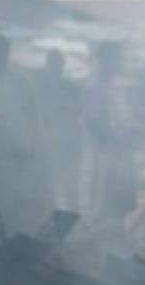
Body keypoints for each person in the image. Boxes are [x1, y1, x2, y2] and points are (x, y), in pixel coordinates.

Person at [0, 33, 45, 239]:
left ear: (6, 52)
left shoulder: (20, 81)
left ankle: (14, 241)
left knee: (16, 201)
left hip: (17, 151)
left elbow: (34, 116)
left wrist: (33, 146)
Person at [82, 40, 136, 219]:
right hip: (105, 153)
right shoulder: (95, 86)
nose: (121, 62)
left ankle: (116, 234)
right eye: (118, 58)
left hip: (120, 150)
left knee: (120, 201)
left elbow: (122, 117)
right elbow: (93, 122)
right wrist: (113, 140)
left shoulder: (117, 85)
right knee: (104, 199)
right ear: (106, 60)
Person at [34, 50, 83, 213]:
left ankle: (71, 211)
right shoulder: (41, 87)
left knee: (70, 180)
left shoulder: (70, 87)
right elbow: (39, 113)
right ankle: (54, 210)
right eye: (54, 64)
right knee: (52, 179)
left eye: (58, 64)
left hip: (67, 139)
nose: (56, 67)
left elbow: (77, 111)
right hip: (52, 138)